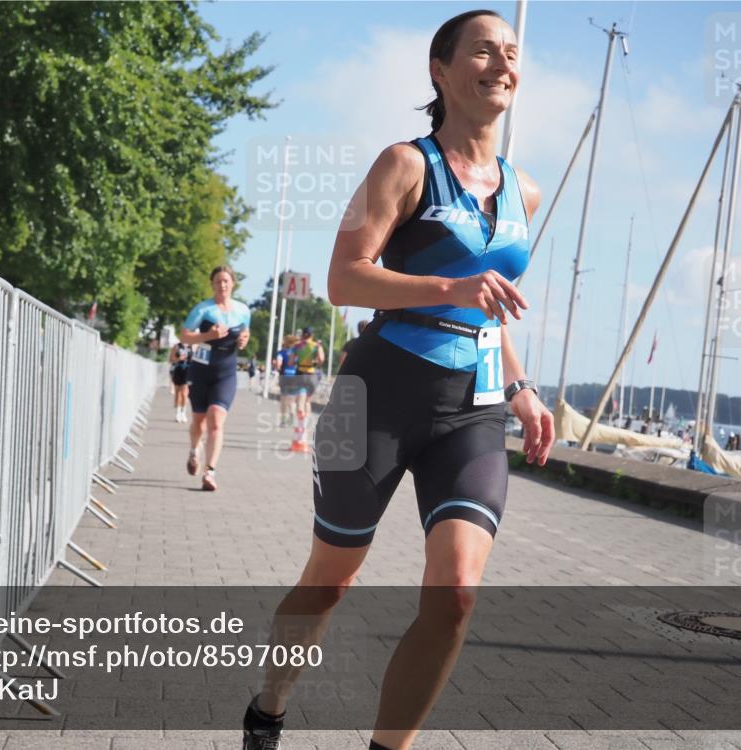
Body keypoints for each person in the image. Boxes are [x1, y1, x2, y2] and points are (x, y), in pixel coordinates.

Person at [241, 10, 554, 750]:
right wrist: (452, 288)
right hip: (375, 397)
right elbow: (344, 279)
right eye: (483, 50)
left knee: (455, 595)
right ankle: (268, 708)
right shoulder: (405, 165)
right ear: (440, 70)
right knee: (331, 578)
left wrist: (520, 387)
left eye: (510, 53)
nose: (501, 62)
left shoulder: (526, 193)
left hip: (471, 414)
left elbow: (494, 311)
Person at [180, 265, 250, 491]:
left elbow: (245, 332)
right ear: (212, 284)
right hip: (201, 370)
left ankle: (210, 472)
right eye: (218, 281)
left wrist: (243, 340)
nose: (222, 285)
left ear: (233, 284)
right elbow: (185, 336)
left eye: (226, 281)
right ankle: (194, 450)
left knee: (216, 421)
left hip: (226, 371)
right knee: (199, 421)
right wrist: (208, 335)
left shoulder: (243, 310)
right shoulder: (203, 309)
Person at [288, 327, 325, 450]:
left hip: (300, 373)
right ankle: (304, 432)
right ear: (312, 335)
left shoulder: (297, 346)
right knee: (307, 402)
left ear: (303, 334)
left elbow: (290, 362)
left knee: (300, 404)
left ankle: (300, 434)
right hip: (312, 375)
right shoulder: (316, 345)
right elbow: (321, 360)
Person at [275, 335, 299, 428]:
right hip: (295, 377)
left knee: (283, 399)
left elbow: (278, 364)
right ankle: (292, 413)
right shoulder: (296, 353)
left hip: (284, 376)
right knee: (291, 399)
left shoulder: (281, 353)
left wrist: (278, 369)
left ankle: (283, 421)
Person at [168, 341, 192, 422]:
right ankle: (178, 413)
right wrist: (179, 359)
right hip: (178, 370)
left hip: (188, 371)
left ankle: (183, 412)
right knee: (178, 392)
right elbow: (170, 359)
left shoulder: (192, 345)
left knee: (185, 393)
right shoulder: (177, 346)